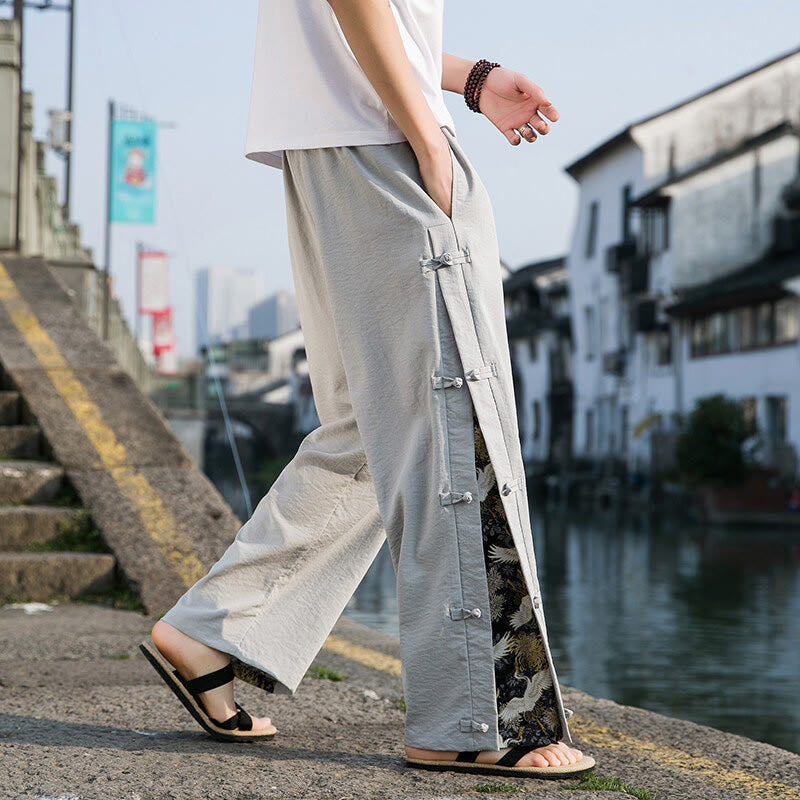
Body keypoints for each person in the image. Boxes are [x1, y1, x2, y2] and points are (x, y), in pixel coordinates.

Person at [140, 0, 596, 779]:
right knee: (452, 417)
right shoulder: (401, 132)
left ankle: (216, 629)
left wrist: (469, 79)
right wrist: (426, 134)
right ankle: (474, 717)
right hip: (383, 140)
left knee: (374, 427)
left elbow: (357, 23)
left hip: (341, 139)